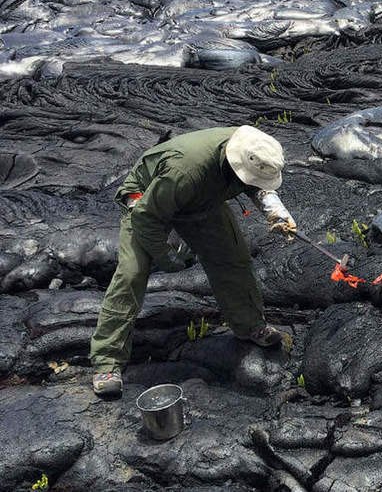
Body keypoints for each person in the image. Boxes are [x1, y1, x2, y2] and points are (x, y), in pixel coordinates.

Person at [89, 126, 297, 396]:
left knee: (233, 260)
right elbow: (146, 217)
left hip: (202, 201)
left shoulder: (255, 147)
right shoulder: (185, 171)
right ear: (235, 165)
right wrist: (166, 257)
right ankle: (107, 360)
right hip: (146, 199)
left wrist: (277, 214)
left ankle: (250, 326)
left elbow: (257, 184)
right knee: (131, 275)